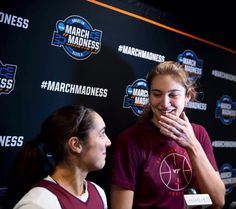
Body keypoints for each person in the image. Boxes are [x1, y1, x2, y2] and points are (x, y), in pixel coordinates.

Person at [109, 61, 225, 209]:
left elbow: (218, 201)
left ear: (187, 96)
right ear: (149, 95)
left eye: (173, 95)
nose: (164, 103)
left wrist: (192, 144)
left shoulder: (199, 134)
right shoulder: (131, 139)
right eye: (157, 94)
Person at [6, 104, 111, 209]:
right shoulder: (38, 204)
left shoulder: (98, 193)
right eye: (102, 134)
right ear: (76, 145)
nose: (108, 142)